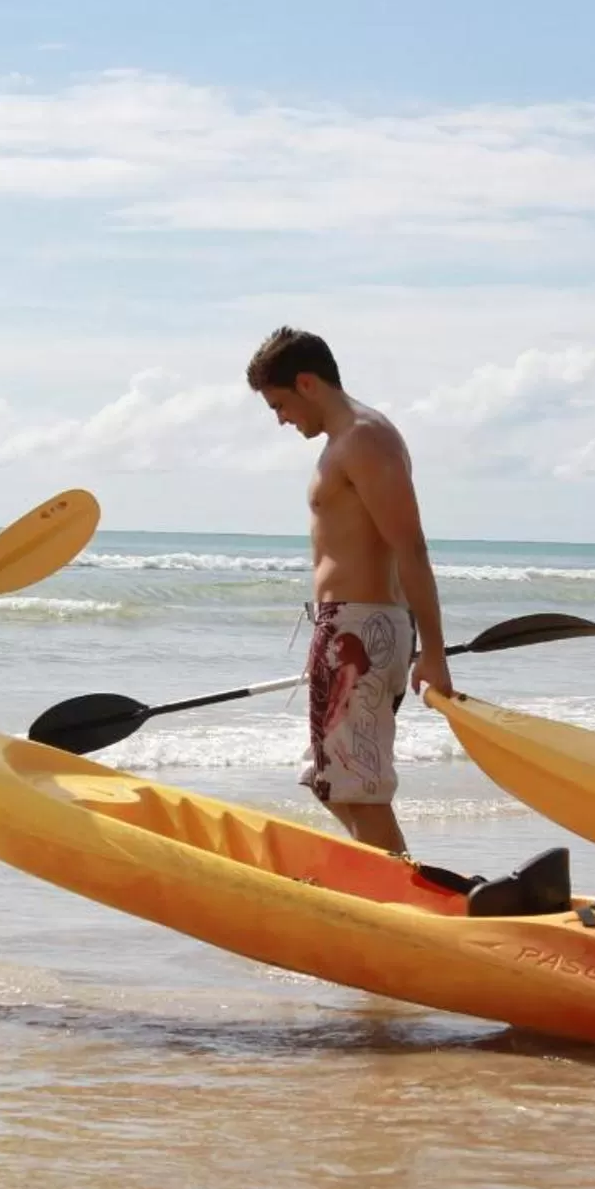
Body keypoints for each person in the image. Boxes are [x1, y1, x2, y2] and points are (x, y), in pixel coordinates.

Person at [246, 326, 451, 853]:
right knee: (329, 779)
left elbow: (411, 547)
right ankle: (388, 878)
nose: (280, 419)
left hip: (360, 630)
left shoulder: (363, 439)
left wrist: (434, 652)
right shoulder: (346, 441)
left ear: (307, 383)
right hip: (346, 626)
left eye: (279, 404)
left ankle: (402, 891)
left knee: (359, 789)